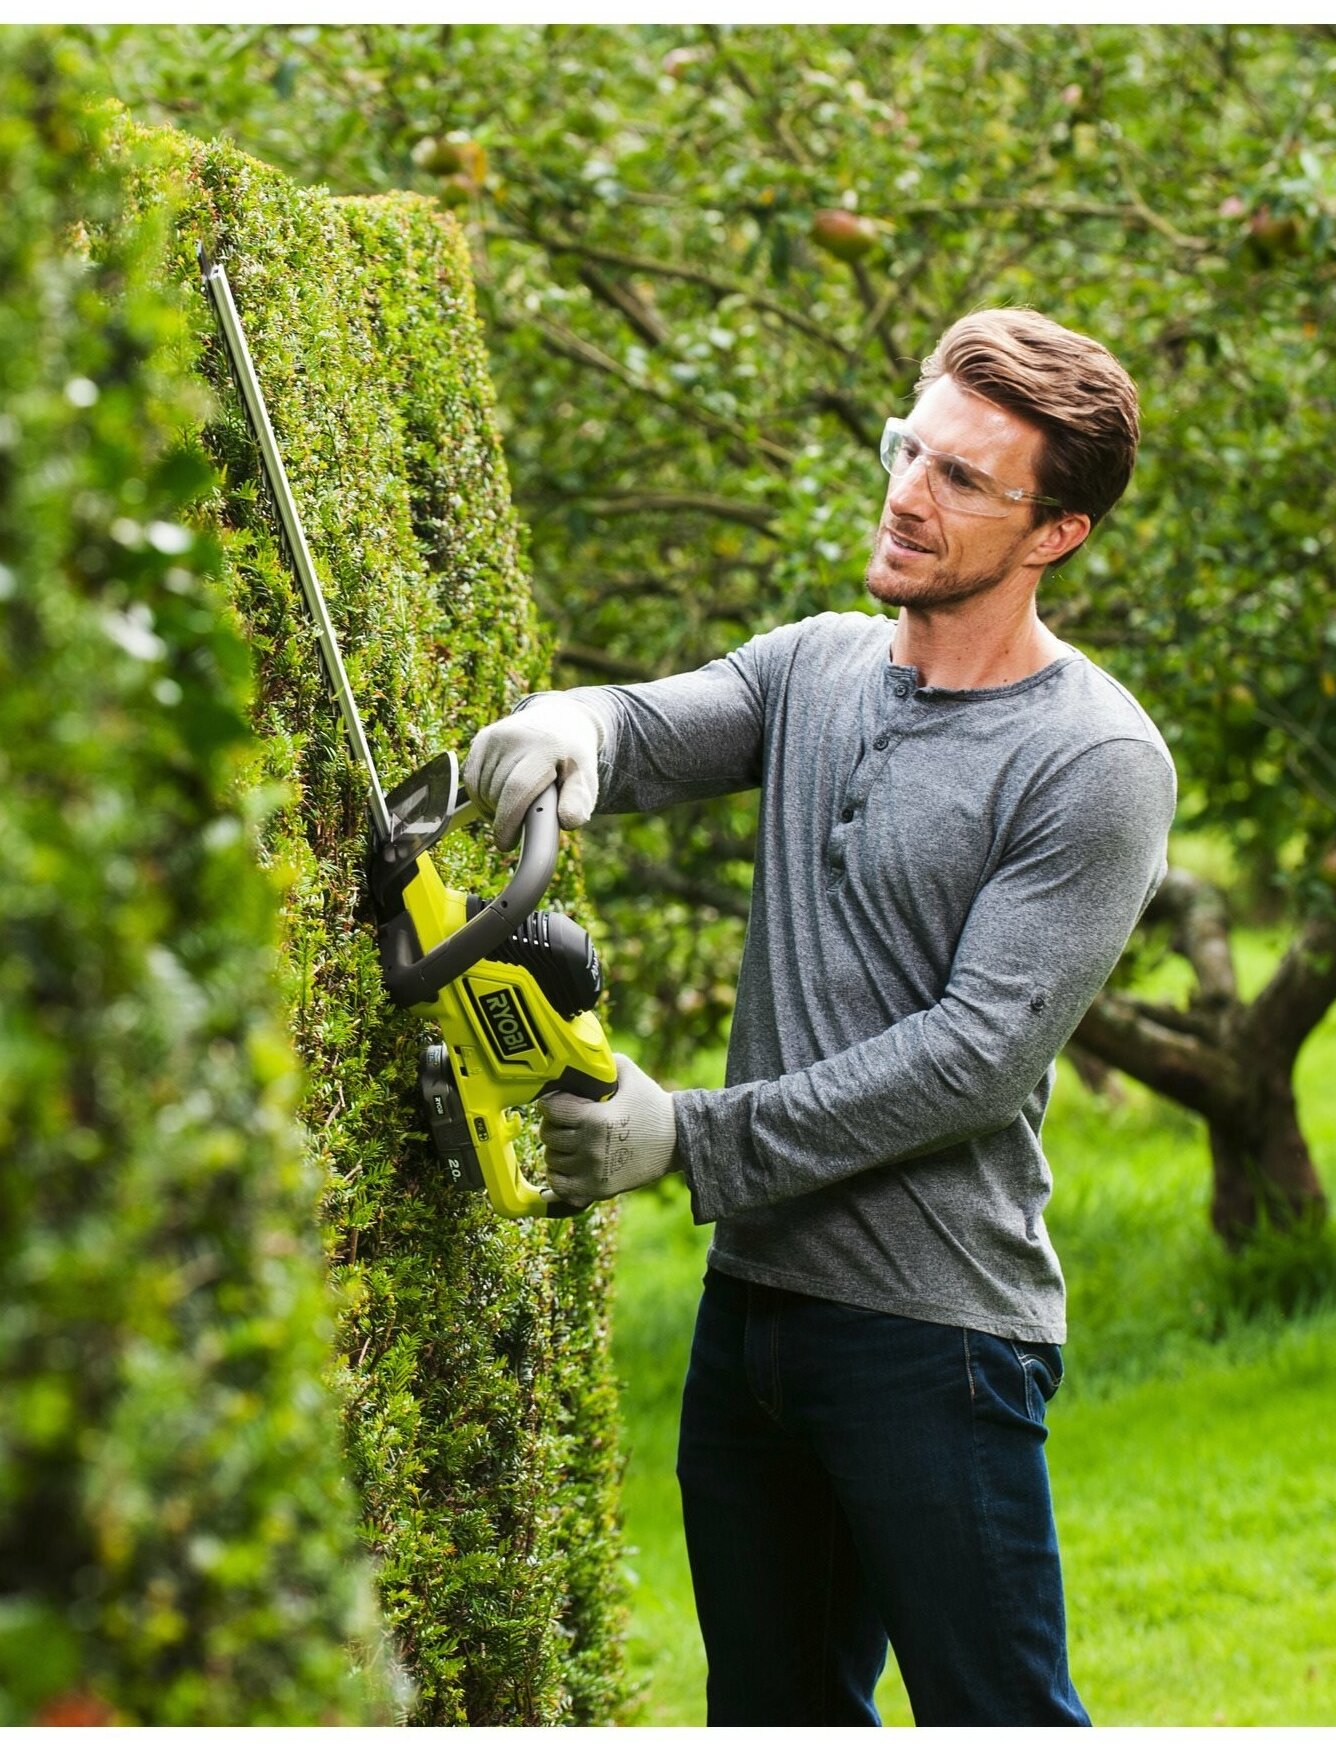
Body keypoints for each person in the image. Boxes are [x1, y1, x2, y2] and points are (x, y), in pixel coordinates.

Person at [464, 308, 1173, 1727]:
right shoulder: (818, 666)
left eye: (967, 479)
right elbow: (663, 725)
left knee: (999, 1713)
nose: (912, 490)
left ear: (1058, 534)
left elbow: (975, 1059)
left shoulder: (1092, 760)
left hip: (935, 1332)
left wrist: (687, 1138)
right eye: (913, 447)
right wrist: (579, 725)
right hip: (757, 1321)